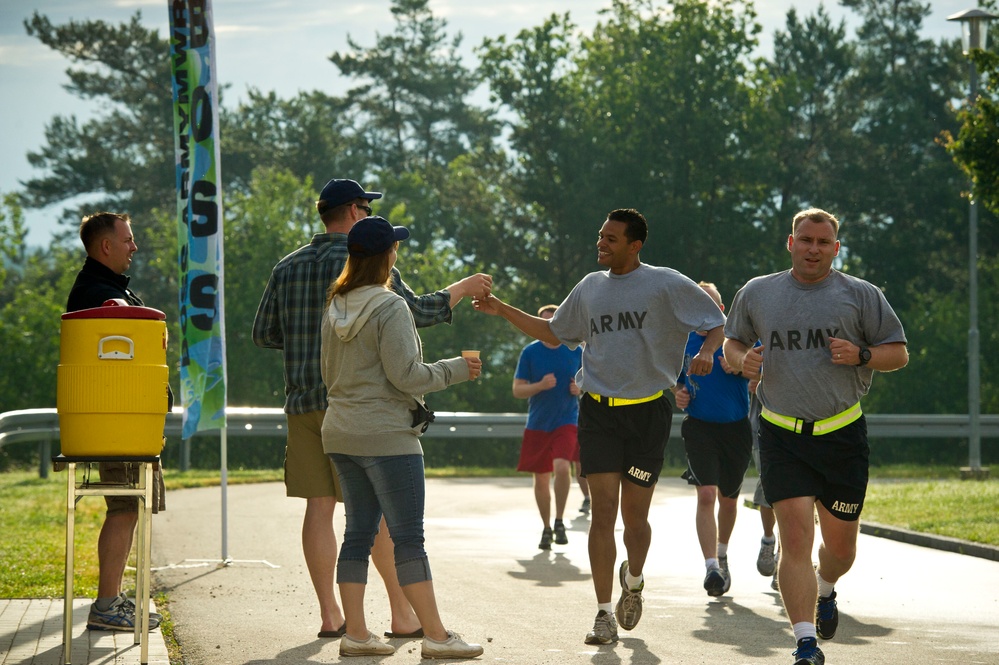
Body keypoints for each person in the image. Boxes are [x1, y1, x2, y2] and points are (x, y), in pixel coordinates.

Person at [252, 178, 492, 639]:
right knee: (376, 516)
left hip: (306, 400)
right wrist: (460, 288)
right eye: (365, 206)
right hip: (368, 410)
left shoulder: (287, 267)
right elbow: (415, 313)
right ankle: (403, 616)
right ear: (356, 213)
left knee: (319, 510)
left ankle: (331, 616)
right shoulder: (367, 265)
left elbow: (264, 334)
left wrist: (305, 343)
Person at [473, 208, 726, 645]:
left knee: (635, 520)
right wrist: (501, 309)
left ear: (635, 245)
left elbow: (716, 321)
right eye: (600, 236)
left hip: (649, 412)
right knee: (603, 514)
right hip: (598, 412)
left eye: (611, 238)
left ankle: (634, 577)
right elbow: (553, 333)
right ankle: (604, 612)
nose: (601, 244)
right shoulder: (590, 288)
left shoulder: (665, 282)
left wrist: (707, 351)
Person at [723, 208, 908, 665]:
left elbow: (898, 353)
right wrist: (742, 359)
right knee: (796, 538)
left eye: (823, 243)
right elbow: (732, 342)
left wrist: (862, 353)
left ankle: (827, 588)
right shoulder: (758, 292)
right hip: (781, 432)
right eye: (805, 240)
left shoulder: (861, 295)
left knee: (841, 550)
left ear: (836, 248)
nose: (813, 249)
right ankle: (805, 642)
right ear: (791, 243)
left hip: (841, 433)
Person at [321, 215, 484, 659]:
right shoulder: (390, 306)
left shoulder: (335, 305)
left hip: (340, 432)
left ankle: (356, 635)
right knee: (409, 536)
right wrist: (455, 369)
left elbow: (328, 375)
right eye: (394, 247)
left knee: (357, 534)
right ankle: (435, 635)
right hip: (388, 435)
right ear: (387, 257)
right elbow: (406, 376)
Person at [67, 212, 166, 631]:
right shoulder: (102, 294)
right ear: (105, 246)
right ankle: (107, 604)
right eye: (128, 239)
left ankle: (112, 599)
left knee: (127, 507)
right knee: (124, 507)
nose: (134, 247)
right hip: (119, 421)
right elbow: (121, 329)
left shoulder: (100, 287)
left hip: (122, 418)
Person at [673, 282, 753, 598]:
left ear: (720, 310)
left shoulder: (738, 339)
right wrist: (678, 394)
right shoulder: (681, 342)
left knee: (728, 499)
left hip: (736, 428)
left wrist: (740, 368)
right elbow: (675, 381)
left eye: (711, 305)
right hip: (699, 427)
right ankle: (711, 568)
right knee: (706, 493)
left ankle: (722, 552)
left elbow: (764, 371)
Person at [512, 304, 584, 550]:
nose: (547, 327)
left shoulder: (575, 350)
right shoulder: (530, 353)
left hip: (567, 420)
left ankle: (560, 520)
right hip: (538, 423)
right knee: (541, 478)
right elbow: (517, 390)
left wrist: (580, 389)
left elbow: (592, 382)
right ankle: (546, 527)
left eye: (552, 322)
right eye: (543, 322)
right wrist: (539, 386)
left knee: (562, 467)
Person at [748, 383, 780, 590]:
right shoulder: (761, 348)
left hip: (807, 429)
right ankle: (769, 539)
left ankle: (785, 564)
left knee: (797, 497)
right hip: (764, 429)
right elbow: (740, 362)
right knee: (770, 489)